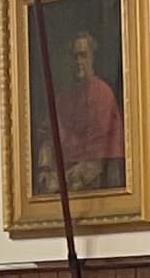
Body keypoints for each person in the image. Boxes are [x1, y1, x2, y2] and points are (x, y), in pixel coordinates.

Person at [45, 27, 124, 193]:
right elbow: (56, 138)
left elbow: (100, 144)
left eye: (83, 55)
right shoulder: (62, 98)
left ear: (92, 58)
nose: (79, 62)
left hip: (94, 169)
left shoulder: (103, 93)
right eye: (75, 56)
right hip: (67, 169)